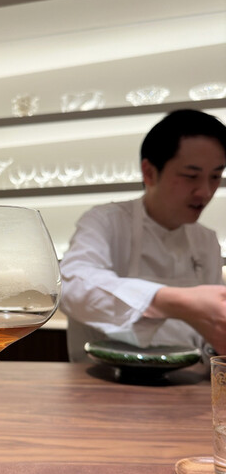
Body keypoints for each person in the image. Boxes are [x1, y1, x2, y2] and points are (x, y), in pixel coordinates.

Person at [60, 109, 226, 362]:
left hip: (189, 380)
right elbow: (72, 284)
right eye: (191, 176)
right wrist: (175, 302)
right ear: (149, 172)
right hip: (102, 379)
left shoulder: (206, 241)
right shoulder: (106, 221)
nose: (205, 191)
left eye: (215, 177)